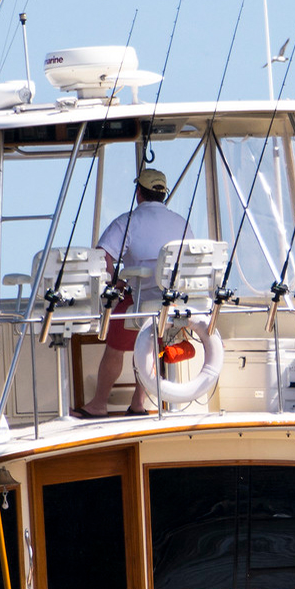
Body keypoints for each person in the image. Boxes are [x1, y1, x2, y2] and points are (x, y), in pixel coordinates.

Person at [77, 168, 189, 418]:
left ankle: (99, 405)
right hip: (172, 304)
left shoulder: (128, 221)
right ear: (163, 194)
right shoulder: (182, 222)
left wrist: (116, 282)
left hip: (139, 301)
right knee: (150, 347)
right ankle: (138, 403)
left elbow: (102, 255)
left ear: (138, 192)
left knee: (115, 347)